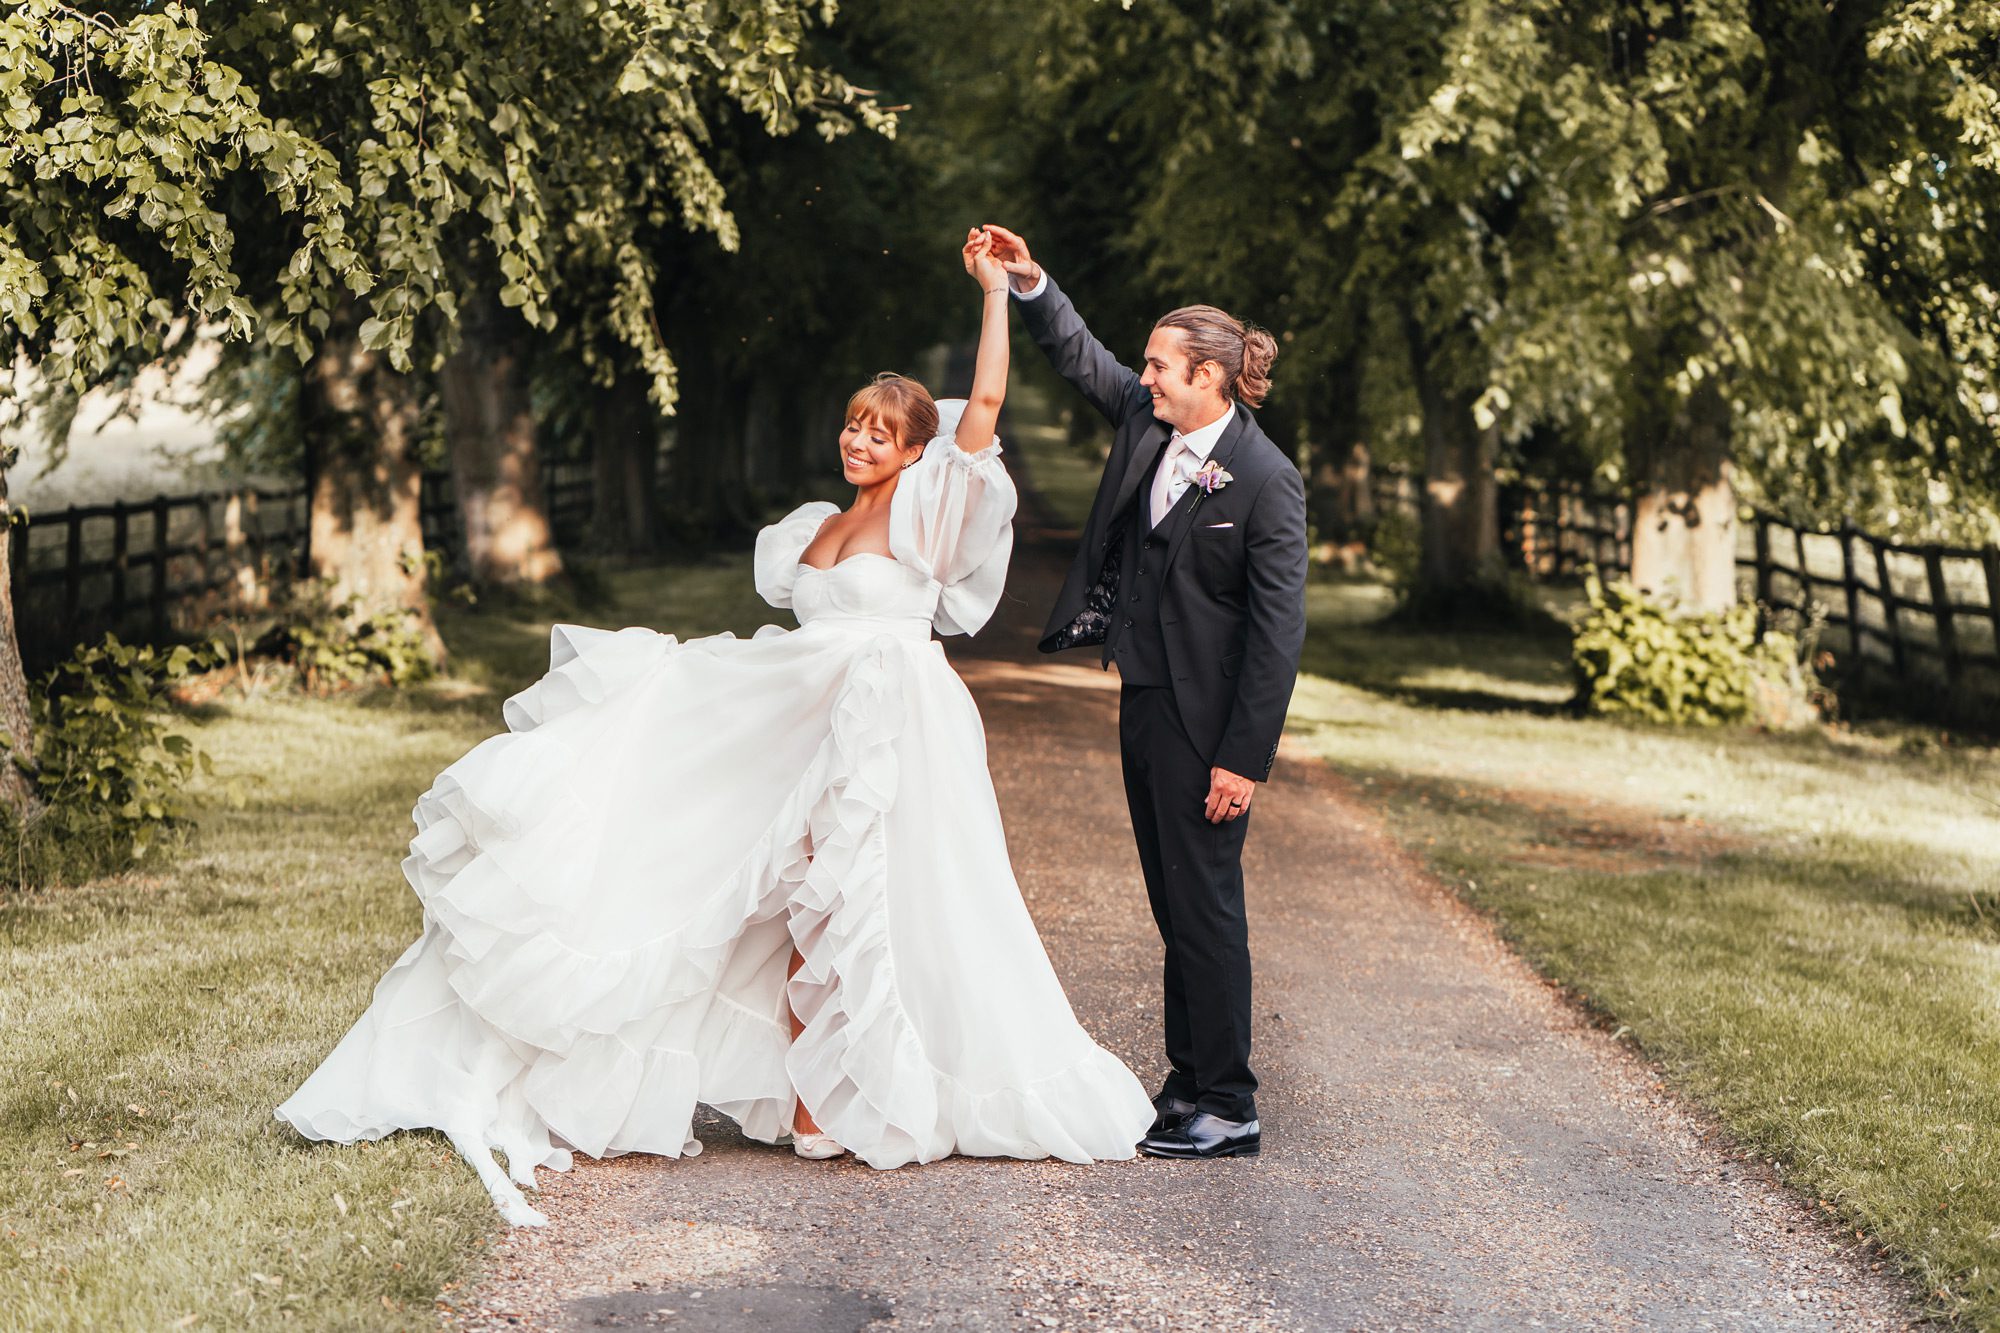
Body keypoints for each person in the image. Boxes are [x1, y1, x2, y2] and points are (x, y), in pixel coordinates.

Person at [276, 229, 1153, 1226]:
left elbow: (984, 408)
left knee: (873, 905)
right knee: (783, 900)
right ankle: (813, 1097)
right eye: (853, 425)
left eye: (881, 433)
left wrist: (997, 292)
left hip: (892, 726)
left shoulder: (928, 515)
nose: (859, 441)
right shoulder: (813, 530)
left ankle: (869, 1093)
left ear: (916, 451)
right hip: (808, 720)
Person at [982, 223, 1307, 1161]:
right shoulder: (1148, 422)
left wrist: (1242, 760)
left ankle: (1232, 1103)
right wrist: (1032, 279)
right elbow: (1081, 355)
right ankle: (1186, 1083)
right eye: (1150, 366)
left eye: (1163, 365)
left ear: (1209, 375)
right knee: (1172, 901)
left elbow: (1277, 638)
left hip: (1209, 726)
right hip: (1144, 699)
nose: (1148, 376)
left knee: (1206, 903)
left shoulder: (1266, 479)